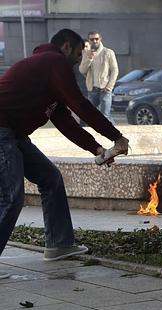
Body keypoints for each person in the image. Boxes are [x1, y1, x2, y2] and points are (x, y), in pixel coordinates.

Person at [0, 29, 129, 279]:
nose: (81, 59)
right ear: (67, 47)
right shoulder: (54, 62)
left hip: (12, 133)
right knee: (10, 196)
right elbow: (79, 103)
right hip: (1, 130)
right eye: (80, 53)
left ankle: (59, 244)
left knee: (51, 179)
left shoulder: (47, 72)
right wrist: (116, 136)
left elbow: (66, 121)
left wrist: (98, 149)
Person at [79, 31, 118, 124]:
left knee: (105, 115)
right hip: (93, 89)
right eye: (92, 39)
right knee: (91, 114)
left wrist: (109, 86)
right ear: (89, 40)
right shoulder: (87, 53)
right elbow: (82, 70)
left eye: (96, 39)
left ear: (100, 39)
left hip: (105, 89)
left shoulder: (108, 52)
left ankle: (116, 132)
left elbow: (114, 70)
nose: (94, 41)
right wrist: (89, 58)